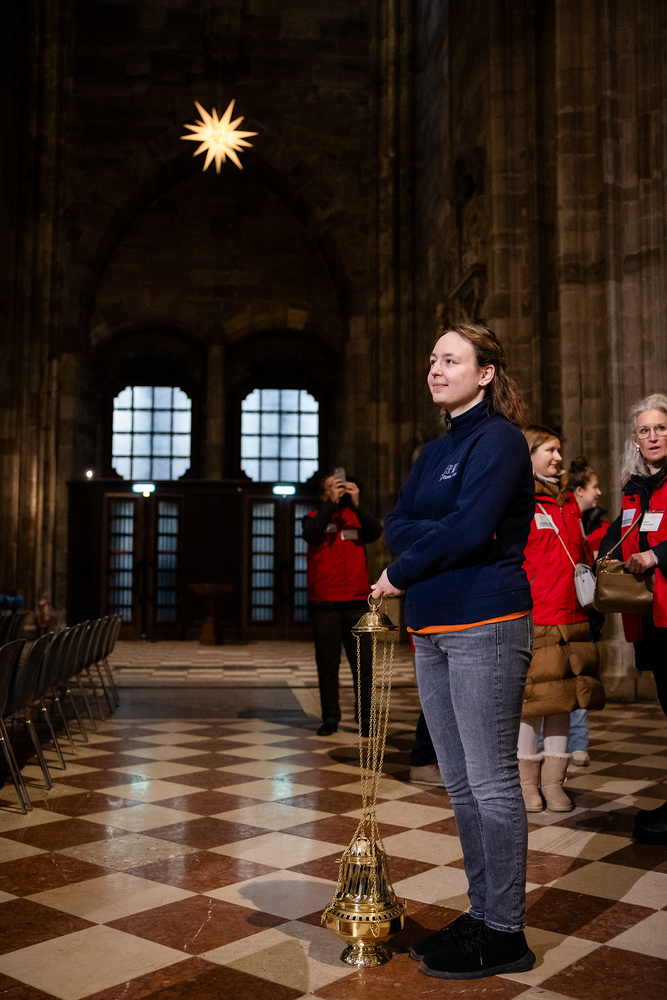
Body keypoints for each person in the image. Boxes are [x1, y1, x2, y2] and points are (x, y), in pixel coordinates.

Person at [372, 323, 536, 980]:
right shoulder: (434, 451)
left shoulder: (498, 440)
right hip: (431, 625)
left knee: (492, 781)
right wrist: (436, 532)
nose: (436, 370)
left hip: (485, 618)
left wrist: (403, 568)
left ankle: (506, 932)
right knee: (459, 781)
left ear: (486, 372)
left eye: (451, 359)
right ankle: (482, 912)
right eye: (433, 359)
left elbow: (471, 529)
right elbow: (395, 522)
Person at [518, 429, 604, 814]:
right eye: (549, 450)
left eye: (558, 450)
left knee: (564, 703)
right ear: (529, 454)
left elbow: (580, 552)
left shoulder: (569, 501)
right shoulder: (520, 498)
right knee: (532, 704)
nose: (557, 457)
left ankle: (553, 783)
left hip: (571, 615)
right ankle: (526, 784)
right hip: (536, 615)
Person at [598, 393, 667, 845]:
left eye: (660, 428)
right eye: (644, 430)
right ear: (634, 440)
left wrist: (657, 555)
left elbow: (653, 545)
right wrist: (599, 557)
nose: (653, 436)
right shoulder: (635, 488)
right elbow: (620, 534)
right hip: (651, 617)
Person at [302, 472, 382, 736]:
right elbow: (312, 535)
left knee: (363, 666)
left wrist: (356, 504)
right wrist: (331, 505)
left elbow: (375, 532)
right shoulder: (313, 517)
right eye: (333, 486)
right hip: (324, 604)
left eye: (343, 486)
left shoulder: (356, 518)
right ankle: (330, 718)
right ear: (323, 494)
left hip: (357, 603)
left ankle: (366, 719)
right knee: (328, 665)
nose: (340, 490)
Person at [566, 455, 608, 765]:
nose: (599, 492)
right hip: (558, 608)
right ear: (579, 490)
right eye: (594, 486)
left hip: (584, 610)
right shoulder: (563, 517)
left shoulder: (598, 525)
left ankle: (578, 742)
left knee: (579, 676)